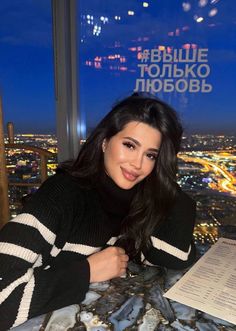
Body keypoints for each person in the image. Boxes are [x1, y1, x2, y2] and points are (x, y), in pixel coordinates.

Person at [0, 93, 196, 330]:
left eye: (150, 155)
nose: (138, 163)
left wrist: (166, 180)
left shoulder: (137, 200)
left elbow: (176, 257)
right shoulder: (63, 193)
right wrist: (87, 272)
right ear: (105, 142)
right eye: (130, 145)